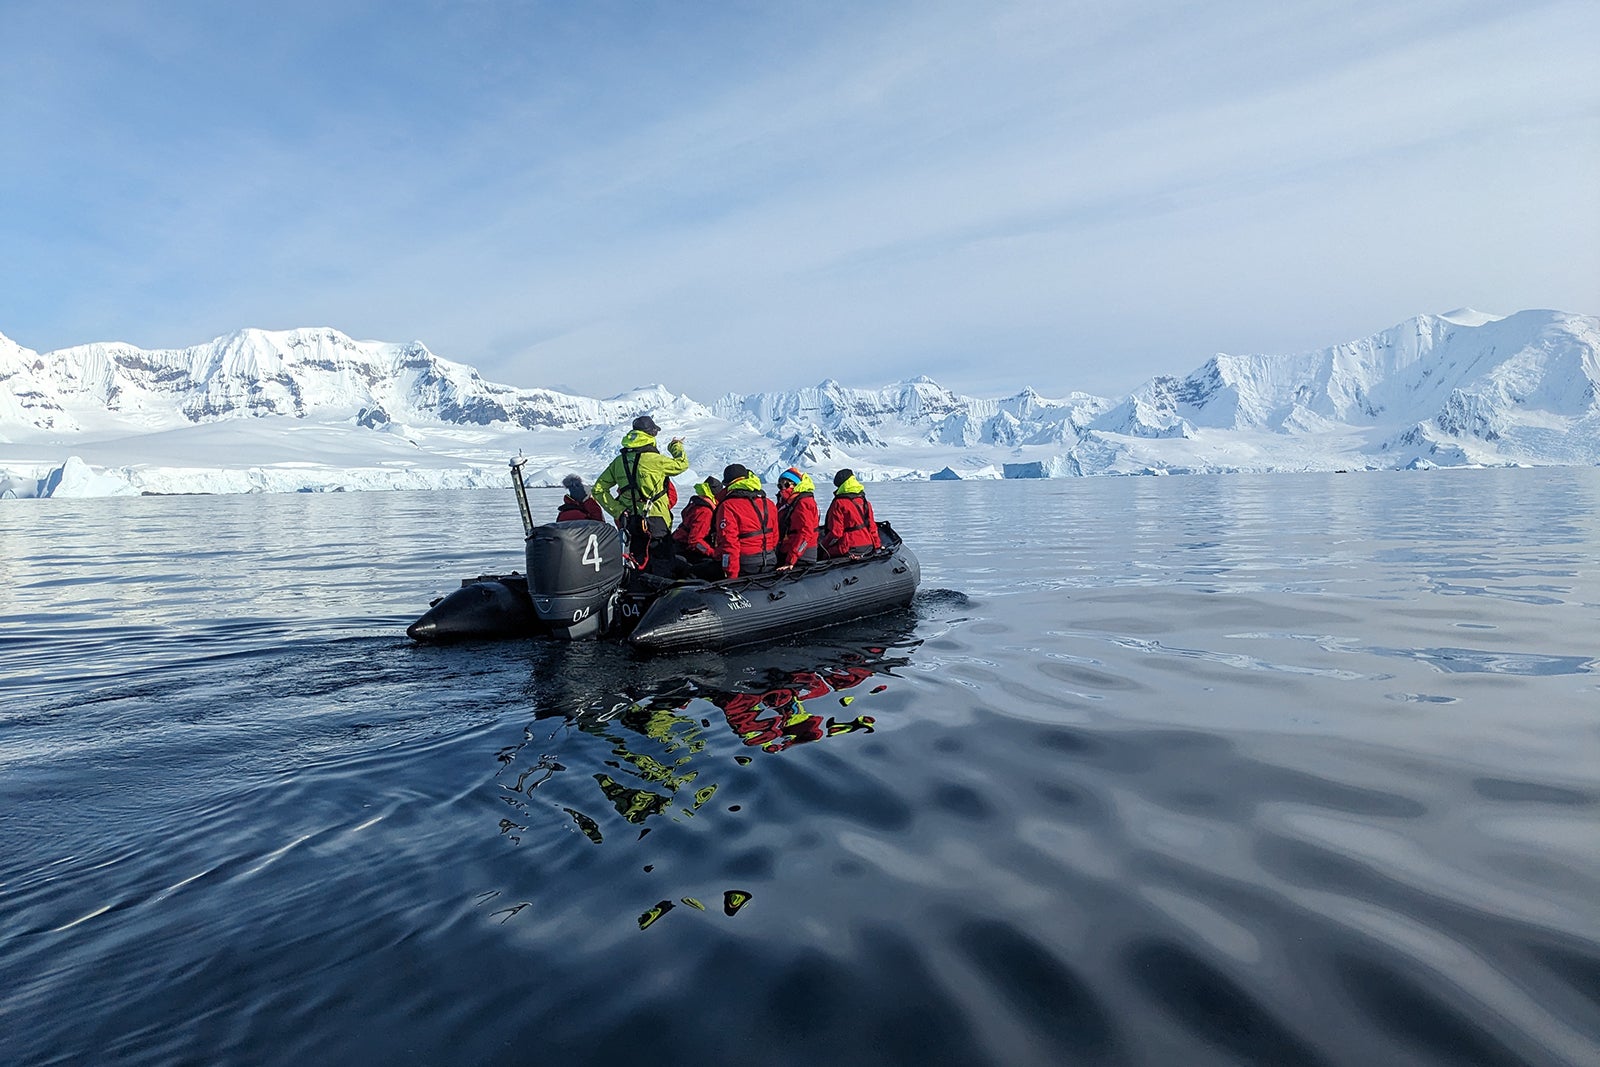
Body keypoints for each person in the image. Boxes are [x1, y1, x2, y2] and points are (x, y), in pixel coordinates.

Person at [592, 415, 690, 573]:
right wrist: (675, 446)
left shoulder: (619, 461)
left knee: (635, 561)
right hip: (657, 522)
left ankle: (635, 593)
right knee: (662, 562)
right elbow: (682, 464)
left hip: (629, 521)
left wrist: (617, 510)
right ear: (650, 434)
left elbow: (598, 489)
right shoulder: (655, 460)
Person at [712, 463, 779, 578]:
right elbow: (775, 536)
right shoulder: (768, 503)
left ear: (728, 484)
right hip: (770, 560)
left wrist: (731, 575)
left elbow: (729, 543)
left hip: (746, 564)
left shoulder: (728, 506)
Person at [821, 468, 881, 558]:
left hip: (849, 547)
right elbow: (872, 527)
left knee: (823, 555)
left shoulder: (838, 503)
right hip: (868, 546)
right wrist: (877, 546)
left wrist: (823, 547)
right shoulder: (864, 501)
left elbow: (836, 533)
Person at [671, 476, 723, 578]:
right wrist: (714, 553)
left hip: (677, 545)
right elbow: (695, 541)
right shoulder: (705, 512)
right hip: (685, 549)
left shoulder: (697, 504)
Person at [774, 467, 819, 570]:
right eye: (780, 486)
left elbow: (805, 533)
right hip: (788, 550)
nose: (783, 489)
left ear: (796, 484)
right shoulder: (786, 503)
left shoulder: (803, 502)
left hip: (801, 556)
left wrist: (791, 559)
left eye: (786, 485)